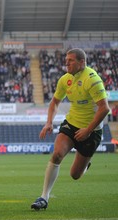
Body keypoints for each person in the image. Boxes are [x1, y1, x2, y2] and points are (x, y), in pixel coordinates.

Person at [31, 48, 110, 211]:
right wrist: (48, 122)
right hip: (71, 123)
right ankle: (43, 197)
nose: (66, 63)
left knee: (75, 175)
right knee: (57, 154)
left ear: (82, 62)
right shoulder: (65, 79)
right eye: (66, 60)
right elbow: (54, 102)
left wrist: (88, 130)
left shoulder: (92, 79)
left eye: (71, 60)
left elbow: (104, 108)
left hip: (92, 131)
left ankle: (85, 166)